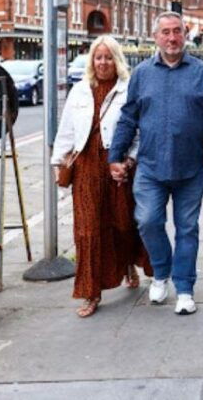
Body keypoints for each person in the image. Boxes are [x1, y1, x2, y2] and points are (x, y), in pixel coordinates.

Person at [108, 12, 203, 315]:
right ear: (156, 37)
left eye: (177, 31)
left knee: (187, 228)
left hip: (190, 167)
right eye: (166, 32)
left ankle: (185, 288)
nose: (172, 38)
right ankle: (161, 273)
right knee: (148, 221)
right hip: (150, 166)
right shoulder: (141, 74)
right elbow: (128, 117)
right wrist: (116, 156)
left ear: (185, 34)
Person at [51, 35, 151, 318]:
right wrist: (59, 162)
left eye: (108, 57)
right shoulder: (79, 91)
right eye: (98, 57)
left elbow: (139, 131)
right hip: (85, 167)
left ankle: (128, 262)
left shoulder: (128, 89)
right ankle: (90, 292)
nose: (103, 62)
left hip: (117, 166)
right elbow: (67, 130)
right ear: (92, 61)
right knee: (88, 231)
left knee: (121, 223)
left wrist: (129, 160)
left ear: (116, 60)